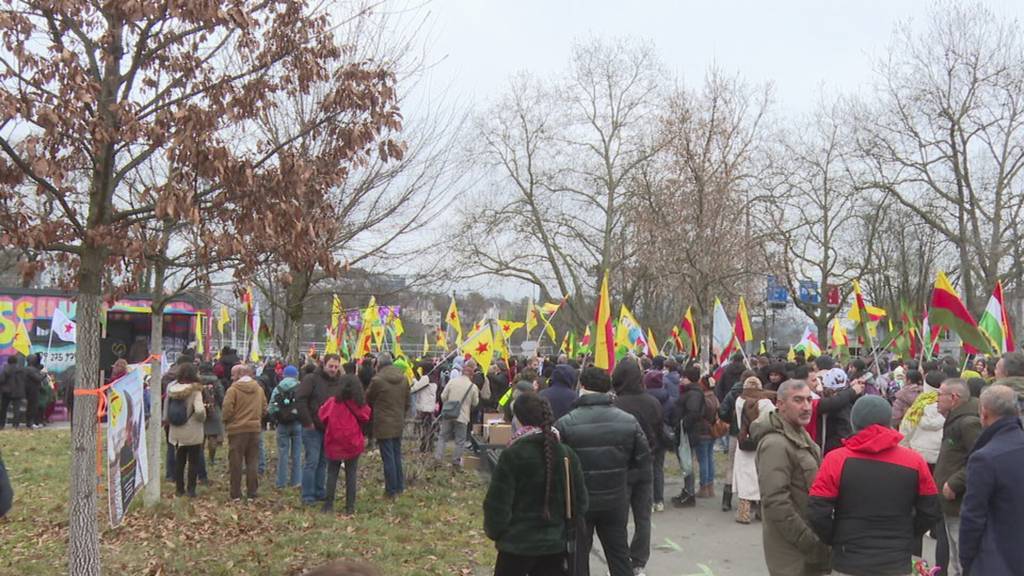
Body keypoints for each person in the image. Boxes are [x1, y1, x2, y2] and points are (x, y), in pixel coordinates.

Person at [808, 395, 941, 576]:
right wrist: (907, 534)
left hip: (849, 558)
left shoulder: (836, 459)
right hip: (897, 558)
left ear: (853, 423)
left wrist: (835, 538)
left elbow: (817, 511)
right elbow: (930, 511)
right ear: (888, 421)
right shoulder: (914, 461)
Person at [555, 366, 650, 576]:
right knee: (619, 556)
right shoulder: (628, 422)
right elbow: (643, 462)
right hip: (615, 499)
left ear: (582, 386)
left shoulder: (565, 423)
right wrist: (625, 482)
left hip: (579, 503)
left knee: (578, 559)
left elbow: (555, 467)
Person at [484, 392, 588, 576]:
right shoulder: (567, 454)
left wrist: (496, 533)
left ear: (519, 420)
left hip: (516, 545)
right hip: (555, 546)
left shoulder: (512, 455)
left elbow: (498, 504)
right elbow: (580, 503)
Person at [753, 379, 829, 576]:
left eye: (808, 400)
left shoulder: (798, 433)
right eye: (798, 400)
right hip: (793, 553)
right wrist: (808, 541)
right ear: (780, 404)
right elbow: (776, 502)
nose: (806, 407)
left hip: (808, 543)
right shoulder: (775, 444)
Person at [958, 384, 1024, 575]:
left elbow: (973, 516)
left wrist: (967, 561)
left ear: (984, 414)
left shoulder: (985, 458)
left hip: (996, 558)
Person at [611, 357, 661, 576]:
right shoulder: (652, 402)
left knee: (619, 519)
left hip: (621, 467)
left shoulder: (614, 405)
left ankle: (621, 563)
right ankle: (638, 562)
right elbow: (660, 432)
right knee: (643, 518)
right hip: (646, 465)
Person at [932, 378, 981, 576]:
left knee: (963, 559)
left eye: (939, 395)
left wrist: (955, 482)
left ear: (954, 398)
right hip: (949, 503)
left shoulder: (969, 422)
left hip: (960, 502)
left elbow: (980, 459)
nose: (936, 399)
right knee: (955, 559)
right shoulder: (955, 419)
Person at [318, 372, 371, 515]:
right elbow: (367, 416)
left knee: (332, 472)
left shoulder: (332, 402)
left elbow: (322, 415)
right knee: (351, 473)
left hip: (334, 440)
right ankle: (350, 507)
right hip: (352, 441)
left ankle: (328, 505)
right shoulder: (359, 403)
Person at [296, 354, 343, 505]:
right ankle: (308, 495)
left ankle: (319, 490)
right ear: (324, 364)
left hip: (329, 428)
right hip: (312, 427)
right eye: (331, 366)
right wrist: (307, 421)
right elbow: (300, 399)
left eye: (336, 367)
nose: (333, 369)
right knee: (312, 461)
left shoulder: (338, 382)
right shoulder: (311, 379)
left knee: (323, 461)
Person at [366, 352, 411, 498]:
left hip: (383, 423)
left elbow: (368, 398)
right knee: (396, 455)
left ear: (378, 364)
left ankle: (390, 490)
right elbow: (408, 402)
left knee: (388, 458)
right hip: (398, 421)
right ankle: (399, 487)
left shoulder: (377, 380)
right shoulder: (404, 379)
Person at [732, 376, 775, 524]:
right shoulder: (766, 403)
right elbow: (773, 420)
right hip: (761, 443)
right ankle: (762, 512)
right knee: (761, 477)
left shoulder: (739, 401)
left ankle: (744, 512)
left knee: (745, 478)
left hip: (743, 443)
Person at [222, 364, 268, 500]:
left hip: (237, 430)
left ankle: (236, 493)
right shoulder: (259, 389)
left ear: (240, 375)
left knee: (235, 463)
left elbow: (227, 410)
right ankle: (252, 492)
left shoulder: (233, 390)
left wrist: (228, 421)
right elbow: (265, 408)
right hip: (254, 429)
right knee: (252, 462)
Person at [163, 363, 206, 497]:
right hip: (193, 431)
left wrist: (167, 421)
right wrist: (202, 418)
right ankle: (191, 490)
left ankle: (179, 489)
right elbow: (199, 410)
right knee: (193, 461)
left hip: (176, 430)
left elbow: (165, 410)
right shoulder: (195, 391)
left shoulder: (171, 389)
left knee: (179, 460)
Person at [435, 358, 480, 468]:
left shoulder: (452, 381)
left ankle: (438, 458)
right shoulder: (473, 387)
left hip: (448, 413)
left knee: (442, 437)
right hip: (463, 416)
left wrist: (449, 404)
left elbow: (443, 396)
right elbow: (475, 402)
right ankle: (455, 461)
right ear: (471, 375)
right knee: (460, 440)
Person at [672, 366, 704, 507]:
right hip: (685, 433)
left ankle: (690, 494)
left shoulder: (693, 394)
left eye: (684, 377)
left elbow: (693, 413)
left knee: (687, 463)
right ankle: (687, 491)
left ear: (689, 378)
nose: (681, 379)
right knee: (685, 463)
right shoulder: (690, 392)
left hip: (687, 434)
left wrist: (681, 425)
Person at [269, 365, 303, 489]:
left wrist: (275, 419)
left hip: (282, 424)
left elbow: (271, 406)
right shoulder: (301, 387)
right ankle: (296, 481)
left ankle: (281, 482)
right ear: (296, 375)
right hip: (297, 423)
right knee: (297, 453)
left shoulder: (278, 388)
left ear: (283, 374)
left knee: (283, 453)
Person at [198, 361, 225, 483]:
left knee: (200, 437)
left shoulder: (197, 381)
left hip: (199, 410)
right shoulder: (216, 381)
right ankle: (211, 459)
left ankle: (200, 457)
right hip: (214, 410)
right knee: (213, 436)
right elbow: (221, 396)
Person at [410, 361, 437, 452]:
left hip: (423, 407)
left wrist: (413, 380)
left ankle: (423, 448)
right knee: (429, 429)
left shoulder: (426, 378)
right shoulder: (433, 378)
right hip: (430, 407)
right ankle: (429, 447)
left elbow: (415, 388)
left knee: (423, 430)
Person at [0, 356, 26, 429]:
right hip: (18, 392)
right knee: (16, 409)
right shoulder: (21, 369)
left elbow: (1, 380)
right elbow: (24, 379)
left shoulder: (6, 369)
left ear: (8, 361)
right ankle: (15, 425)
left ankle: (1, 424)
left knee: (3, 409)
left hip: (6, 392)